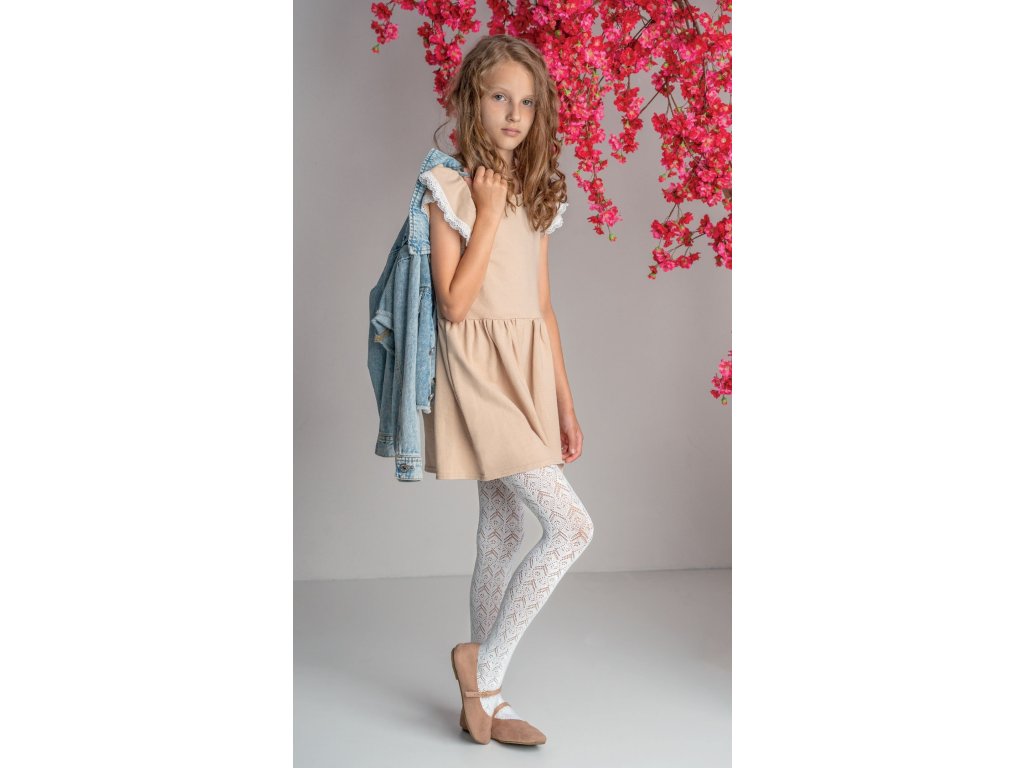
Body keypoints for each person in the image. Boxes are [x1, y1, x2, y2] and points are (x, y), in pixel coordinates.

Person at [416, 34, 596, 746]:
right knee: (573, 528)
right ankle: (481, 665)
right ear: (472, 101)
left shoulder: (538, 192)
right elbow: (455, 305)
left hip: (527, 375)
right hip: (479, 376)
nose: (515, 114)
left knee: (503, 529)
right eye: (500, 97)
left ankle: (486, 701)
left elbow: (543, 307)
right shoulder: (448, 189)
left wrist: (565, 404)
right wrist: (486, 213)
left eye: (526, 101)